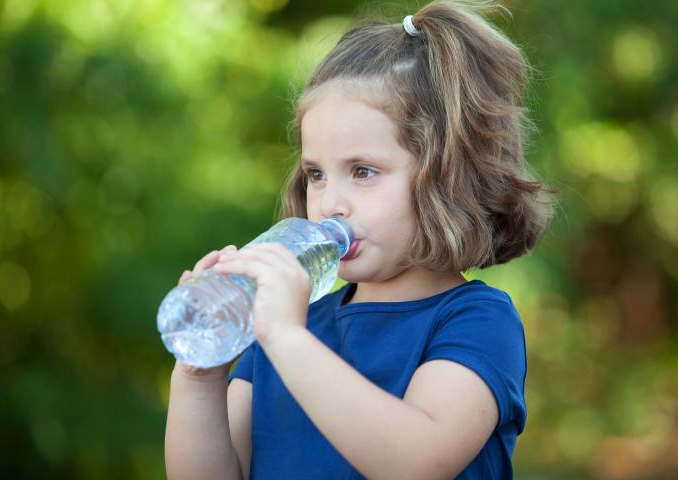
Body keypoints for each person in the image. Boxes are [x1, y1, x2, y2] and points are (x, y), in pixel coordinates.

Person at [165, 0, 555, 478]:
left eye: (363, 171)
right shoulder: (286, 327)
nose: (330, 202)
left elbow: (417, 460)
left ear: (446, 178)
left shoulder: (475, 321)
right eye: (316, 174)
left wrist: (287, 338)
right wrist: (198, 376)